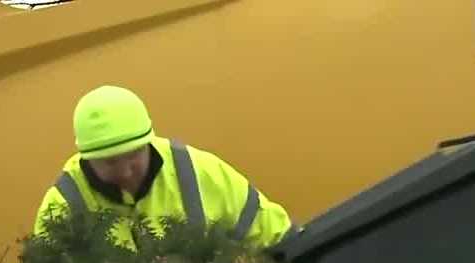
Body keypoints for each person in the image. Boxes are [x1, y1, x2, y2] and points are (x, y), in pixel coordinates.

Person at [33, 85, 299, 252]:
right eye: (110, 162)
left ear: (149, 142)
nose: (125, 172)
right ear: (86, 159)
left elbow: (275, 235)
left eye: (133, 156)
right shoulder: (63, 205)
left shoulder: (197, 171)